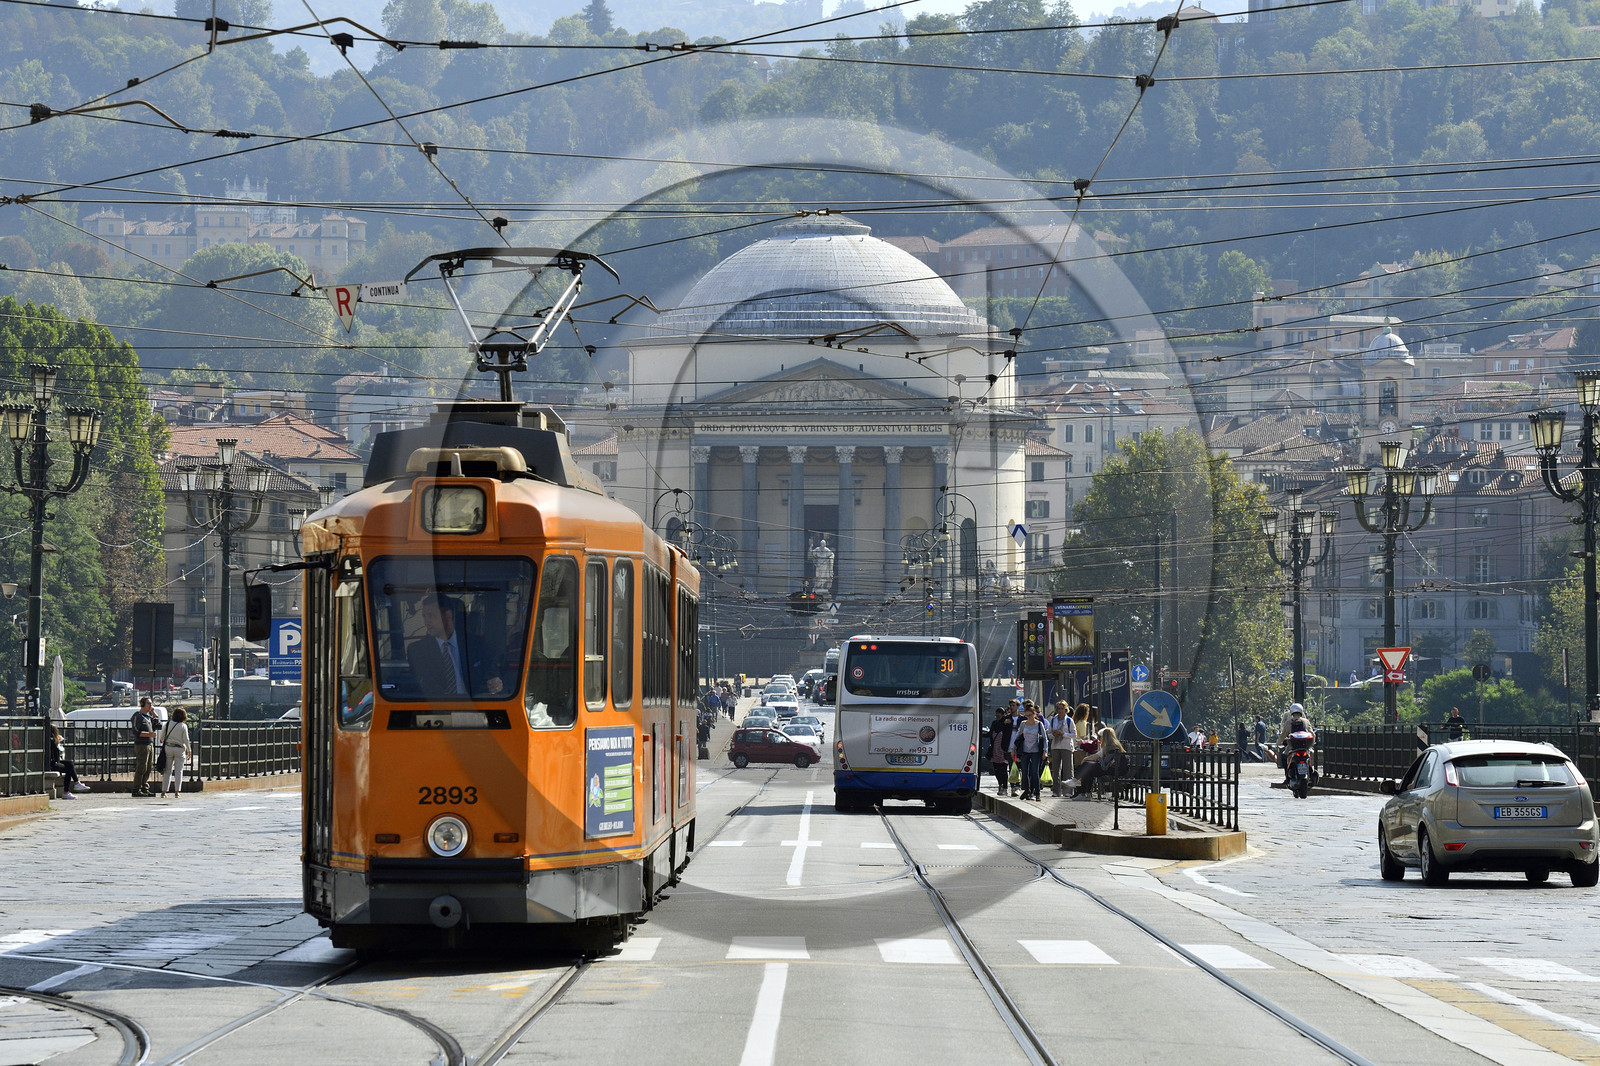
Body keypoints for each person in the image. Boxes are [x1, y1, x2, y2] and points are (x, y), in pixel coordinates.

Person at [406, 594, 505, 699]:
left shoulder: (477, 644)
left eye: (431, 615)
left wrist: (496, 683)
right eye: (424, 616)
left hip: (474, 708)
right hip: (435, 710)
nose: (426, 622)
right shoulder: (417, 650)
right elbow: (423, 685)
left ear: (448, 615)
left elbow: (492, 673)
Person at [1072, 726, 1127, 797]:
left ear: (1105, 737)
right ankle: (1083, 792)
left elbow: (1097, 757)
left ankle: (1079, 789)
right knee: (1088, 768)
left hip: (1114, 769)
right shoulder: (1113, 744)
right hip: (1114, 767)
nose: (1100, 738)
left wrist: (1085, 759)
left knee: (1087, 766)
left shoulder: (1110, 746)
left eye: (1101, 737)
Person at [1011, 701, 1049, 801]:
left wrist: (1045, 751)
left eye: (1030, 715)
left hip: (1036, 751)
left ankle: (1037, 794)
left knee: (1034, 772)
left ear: (1034, 714)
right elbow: (1017, 737)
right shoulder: (1023, 724)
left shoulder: (1039, 724)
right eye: (1027, 715)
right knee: (1024, 772)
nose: (1029, 717)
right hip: (1025, 751)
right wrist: (1013, 749)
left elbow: (1045, 738)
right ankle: (1027, 790)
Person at [158, 707, 193, 798]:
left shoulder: (167, 723)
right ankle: (177, 792)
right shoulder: (183, 726)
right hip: (179, 749)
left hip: (168, 748)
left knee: (167, 771)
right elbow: (186, 739)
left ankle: (164, 792)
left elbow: (161, 737)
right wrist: (189, 750)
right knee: (179, 771)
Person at [129, 697, 160, 797]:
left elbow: (158, 725)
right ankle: (136, 789)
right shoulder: (137, 716)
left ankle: (144, 787)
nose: (151, 706)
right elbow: (136, 731)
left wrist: (154, 713)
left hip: (150, 744)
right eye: (148, 704)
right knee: (141, 766)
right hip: (142, 744)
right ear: (143, 704)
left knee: (148, 767)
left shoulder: (148, 717)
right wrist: (149, 734)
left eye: (151, 704)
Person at [1047, 700, 1077, 797]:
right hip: (1055, 746)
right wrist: (1053, 734)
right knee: (1056, 770)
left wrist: (1063, 734)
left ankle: (1068, 791)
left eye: (1062, 709)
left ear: (1066, 710)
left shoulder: (1069, 720)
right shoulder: (1053, 720)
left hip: (1066, 746)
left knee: (1068, 769)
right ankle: (1056, 791)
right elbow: (1049, 733)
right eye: (1058, 709)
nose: (1060, 711)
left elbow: (1074, 734)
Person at [48, 724, 87, 797]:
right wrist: (57, 743)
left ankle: (76, 783)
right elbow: (56, 756)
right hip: (52, 764)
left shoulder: (50, 740)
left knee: (70, 763)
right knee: (69, 769)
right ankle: (67, 791)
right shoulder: (52, 741)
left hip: (52, 762)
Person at [987, 706, 1015, 795]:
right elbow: (989, 734)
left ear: (1003, 715)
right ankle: (1000, 784)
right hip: (995, 750)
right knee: (996, 770)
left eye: (999, 715)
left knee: (1003, 770)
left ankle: (1005, 787)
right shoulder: (994, 723)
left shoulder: (1006, 723)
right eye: (996, 715)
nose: (997, 717)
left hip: (1003, 750)